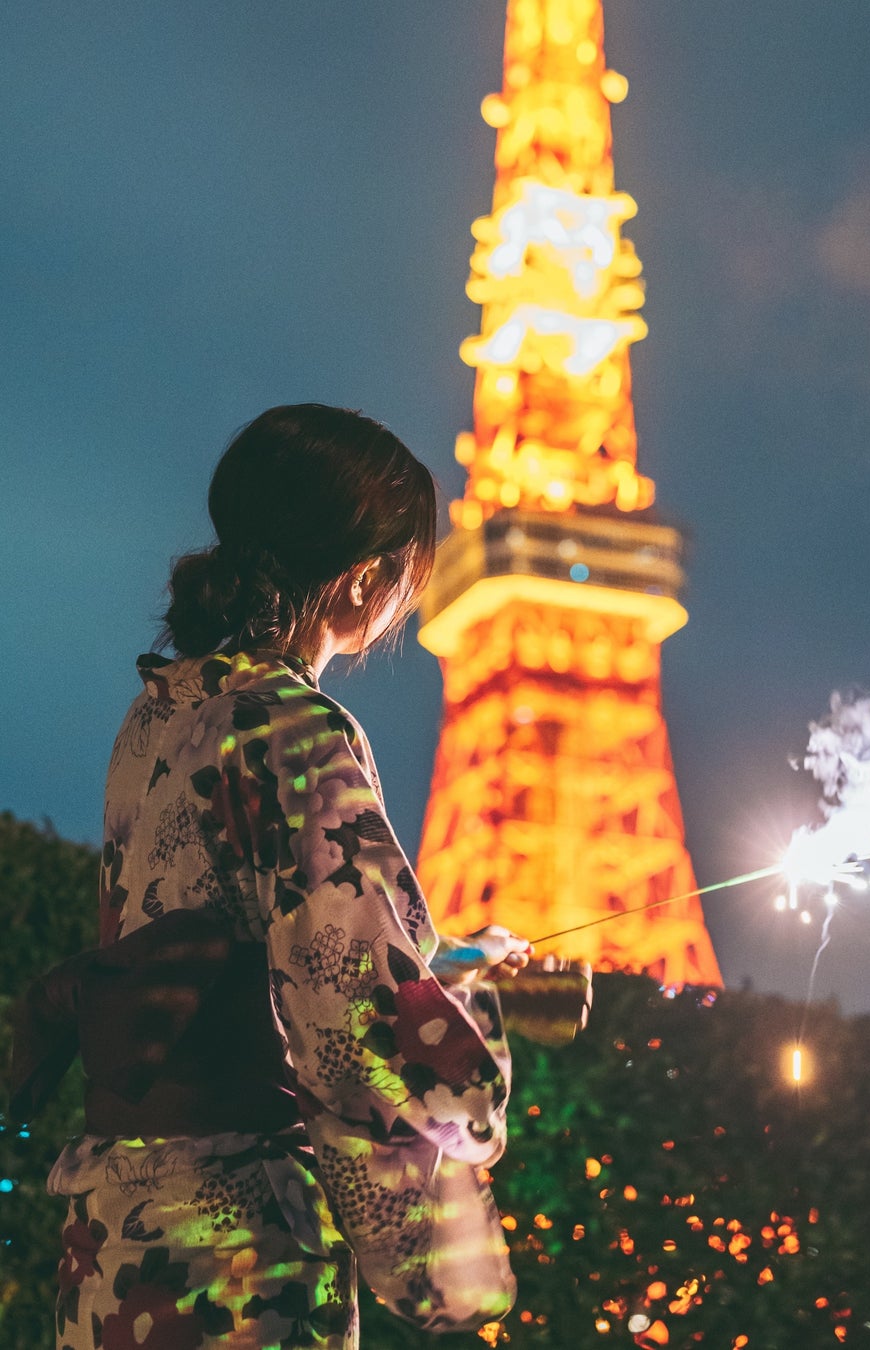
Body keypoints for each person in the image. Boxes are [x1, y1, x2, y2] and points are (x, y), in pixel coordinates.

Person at [41, 403, 532, 1349]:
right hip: (231, 1243)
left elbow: (237, 937)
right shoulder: (296, 731)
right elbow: (355, 1013)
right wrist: (467, 1008)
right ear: (366, 581)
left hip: (113, 1241)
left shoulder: (160, 718)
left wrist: (450, 964)